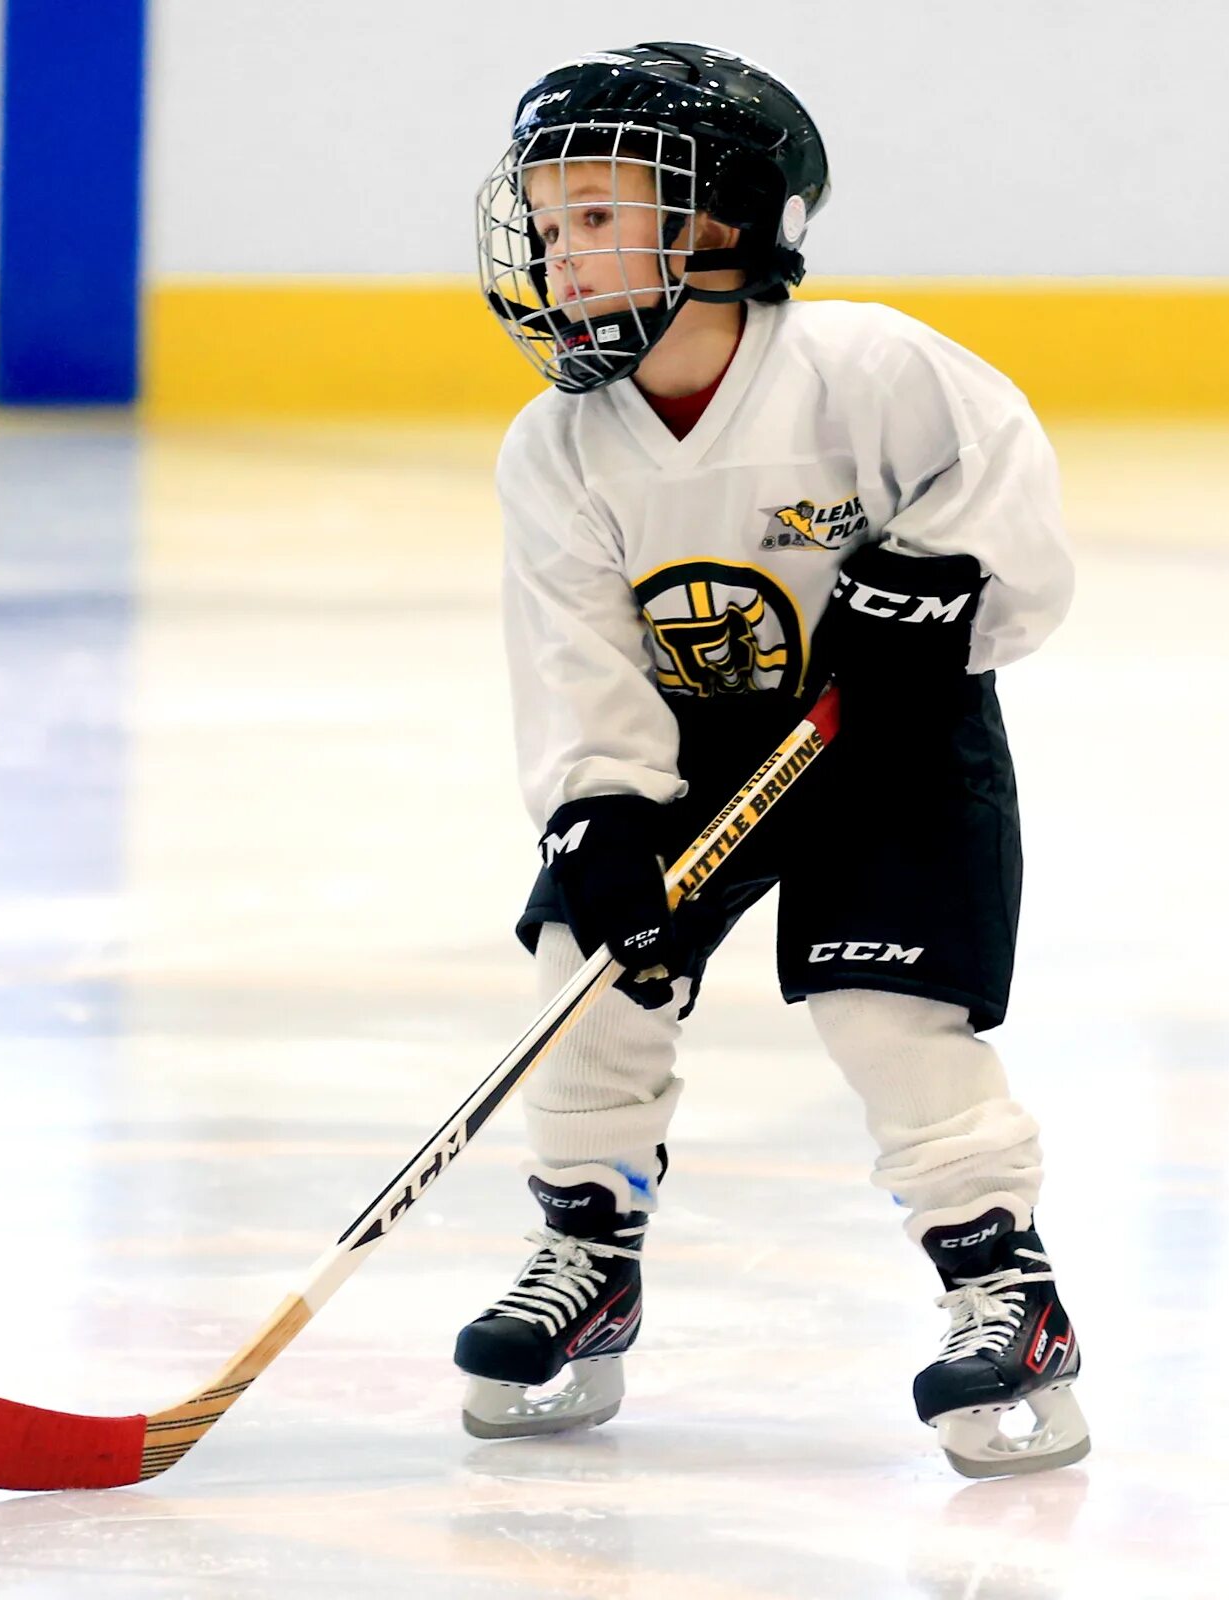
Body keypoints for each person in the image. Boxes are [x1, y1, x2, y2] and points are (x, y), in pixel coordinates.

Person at [455, 41, 1088, 1478]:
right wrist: (598, 811)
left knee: (886, 1008)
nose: (562, 258)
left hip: (894, 743)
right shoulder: (556, 451)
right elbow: (574, 662)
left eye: (602, 218)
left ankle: (1008, 1292)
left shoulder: (872, 369)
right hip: (692, 755)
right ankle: (586, 1259)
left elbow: (1010, 520)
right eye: (548, 227)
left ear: (728, 222)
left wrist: (940, 593)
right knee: (588, 972)